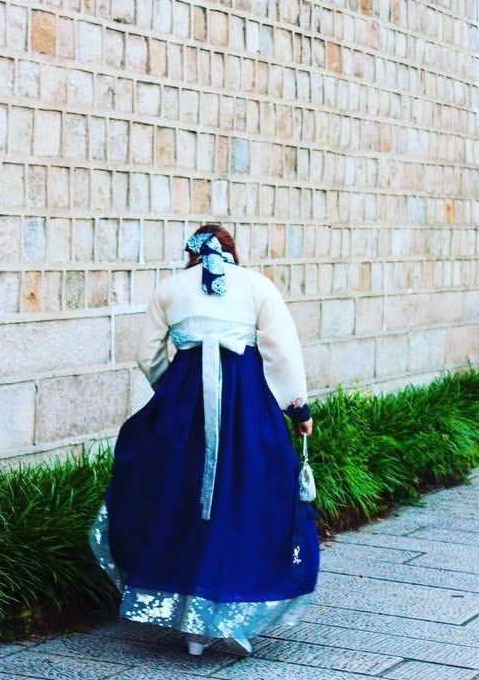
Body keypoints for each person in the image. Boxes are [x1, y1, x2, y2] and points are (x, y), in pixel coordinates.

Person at [89, 224, 319, 656]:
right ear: (232, 252)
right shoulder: (256, 286)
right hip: (246, 407)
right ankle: (231, 617)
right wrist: (298, 410)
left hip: (184, 408)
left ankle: (192, 624)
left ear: (192, 254)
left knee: (181, 499)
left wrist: (173, 393)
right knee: (247, 499)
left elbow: (147, 355)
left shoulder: (170, 289)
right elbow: (282, 352)